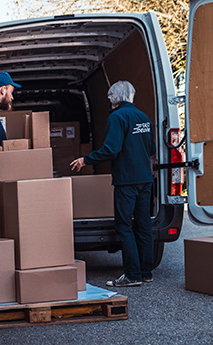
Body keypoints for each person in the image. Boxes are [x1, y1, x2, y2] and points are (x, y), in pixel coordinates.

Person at [70, 80, 156, 287]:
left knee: (124, 226)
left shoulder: (117, 117)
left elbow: (111, 149)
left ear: (114, 99)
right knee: (144, 226)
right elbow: (151, 149)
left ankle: (132, 275)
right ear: (131, 96)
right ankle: (146, 272)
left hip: (127, 181)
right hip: (145, 178)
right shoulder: (143, 117)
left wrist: (86, 159)